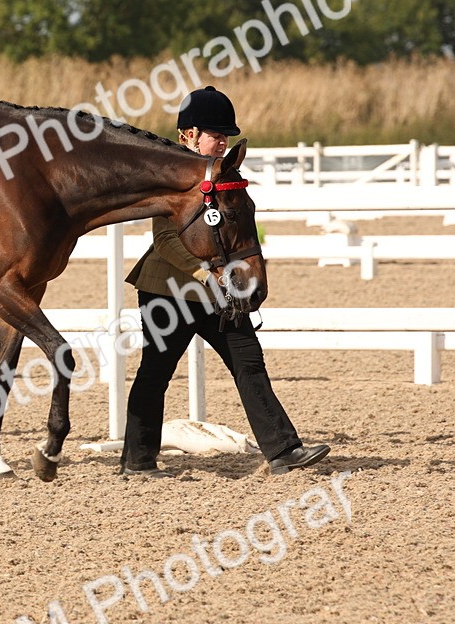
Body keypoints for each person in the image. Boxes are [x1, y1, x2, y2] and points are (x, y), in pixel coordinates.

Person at [120, 86, 329, 478]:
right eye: (215, 135)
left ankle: (284, 450)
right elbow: (164, 241)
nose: (222, 142)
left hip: (220, 292)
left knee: (248, 361)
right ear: (188, 135)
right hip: (170, 291)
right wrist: (202, 271)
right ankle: (138, 460)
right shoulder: (170, 176)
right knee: (156, 372)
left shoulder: (228, 176)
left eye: (226, 136)